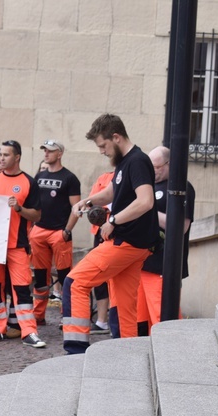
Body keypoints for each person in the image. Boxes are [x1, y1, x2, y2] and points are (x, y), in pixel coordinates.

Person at [62, 114, 158, 354]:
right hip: (136, 245)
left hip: (126, 241)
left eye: (103, 146)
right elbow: (111, 193)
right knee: (126, 307)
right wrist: (87, 200)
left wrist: (113, 220)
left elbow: (145, 202)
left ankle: (75, 352)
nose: (102, 152)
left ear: (116, 137)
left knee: (74, 283)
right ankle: (128, 357)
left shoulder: (136, 161)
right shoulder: (126, 162)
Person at [0, 140, 46, 348]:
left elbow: (36, 215)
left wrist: (19, 208)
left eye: (6, 155)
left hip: (17, 245)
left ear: (17, 157)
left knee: (21, 289)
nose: (2, 158)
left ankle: (28, 331)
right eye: (0, 154)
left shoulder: (29, 182)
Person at [137, 146, 195, 335]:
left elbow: (181, 227)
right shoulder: (150, 185)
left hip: (162, 266)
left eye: (157, 167)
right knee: (140, 321)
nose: (152, 171)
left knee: (163, 320)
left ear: (169, 164)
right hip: (142, 262)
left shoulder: (182, 187)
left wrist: (148, 209)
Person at [29, 140, 81, 326]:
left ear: (59, 153)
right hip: (40, 230)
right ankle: (38, 315)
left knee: (65, 276)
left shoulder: (70, 178)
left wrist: (67, 230)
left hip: (59, 232)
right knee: (41, 276)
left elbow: (76, 208)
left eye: (50, 151)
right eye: (44, 150)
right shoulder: (39, 176)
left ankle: (66, 316)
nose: (46, 154)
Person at [86, 167, 115, 334]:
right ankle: (102, 320)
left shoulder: (132, 171)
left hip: (120, 229)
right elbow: (94, 200)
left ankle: (116, 320)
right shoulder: (104, 177)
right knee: (100, 276)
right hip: (101, 230)